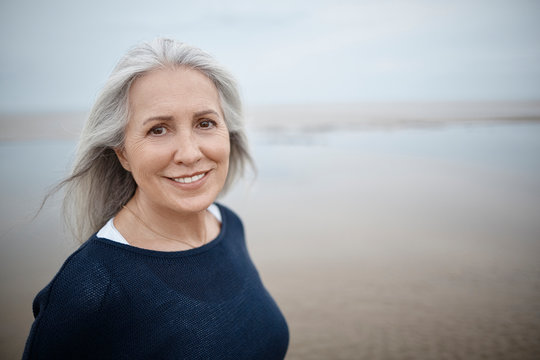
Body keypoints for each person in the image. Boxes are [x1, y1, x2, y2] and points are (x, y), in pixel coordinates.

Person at [23, 38, 289, 359]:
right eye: (158, 130)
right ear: (122, 152)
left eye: (205, 123)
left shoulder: (229, 225)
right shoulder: (91, 288)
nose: (190, 153)